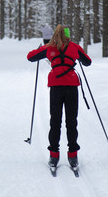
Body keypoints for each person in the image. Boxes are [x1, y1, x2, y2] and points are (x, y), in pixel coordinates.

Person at [27, 24, 92, 169]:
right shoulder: (74, 47)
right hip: (71, 87)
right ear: (68, 35)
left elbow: (30, 57)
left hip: (56, 87)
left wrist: (39, 49)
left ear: (54, 35)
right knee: (71, 121)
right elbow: (88, 62)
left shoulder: (49, 47)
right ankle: (73, 155)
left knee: (55, 121)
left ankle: (54, 155)